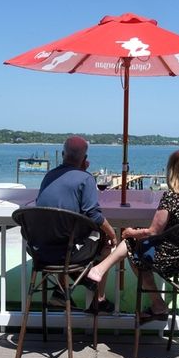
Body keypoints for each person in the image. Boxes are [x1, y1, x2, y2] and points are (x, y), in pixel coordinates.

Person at [86, 149, 179, 323]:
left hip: (175, 260)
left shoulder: (172, 197)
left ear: (172, 171)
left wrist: (131, 232)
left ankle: (102, 269)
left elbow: (153, 232)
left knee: (131, 242)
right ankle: (156, 305)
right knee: (139, 247)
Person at [36, 135, 118, 314]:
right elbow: (93, 215)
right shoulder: (85, 179)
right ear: (85, 159)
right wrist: (112, 234)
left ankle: (61, 291)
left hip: (42, 250)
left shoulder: (49, 176)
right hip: (67, 253)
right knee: (106, 244)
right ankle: (98, 299)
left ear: (63, 154)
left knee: (64, 236)